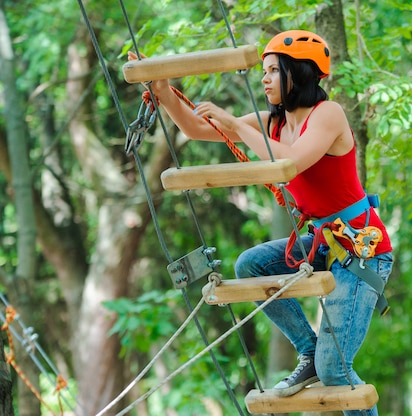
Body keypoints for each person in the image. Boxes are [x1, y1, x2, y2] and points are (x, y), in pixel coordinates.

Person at [129, 30, 393, 416]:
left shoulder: (327, 114)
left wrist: (236, 126)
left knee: (335, 370)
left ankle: (320, 364)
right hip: (323, 242)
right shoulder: (272, 122)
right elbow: (198, 129)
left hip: (361, 251)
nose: (265, 79)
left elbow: (291, 162)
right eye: (264, 71)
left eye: (273, 70)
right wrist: (164, 91)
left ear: (298, 73)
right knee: (251, 265)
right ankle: (308, 352)